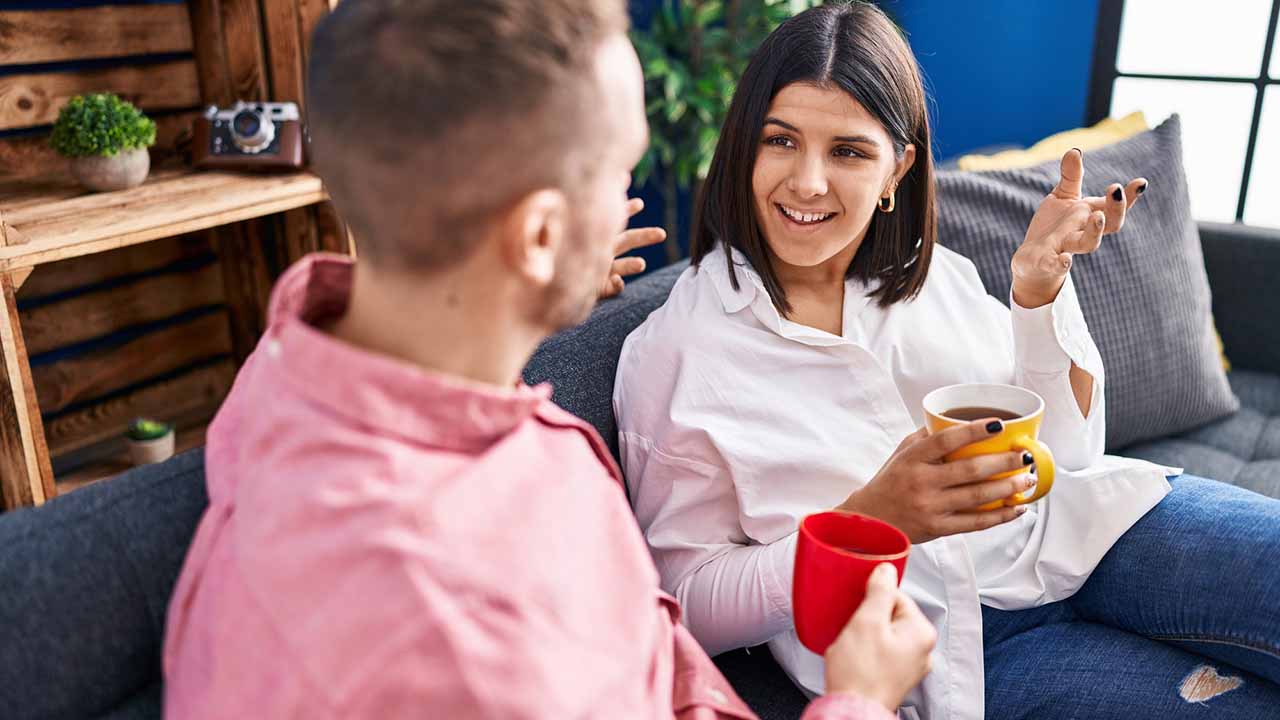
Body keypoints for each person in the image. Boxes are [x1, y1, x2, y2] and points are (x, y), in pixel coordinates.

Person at [161, 1, 937, 718]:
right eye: (616, 170)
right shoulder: (462, 637)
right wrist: (859, 700)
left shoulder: (293, 364)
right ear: (537, 234)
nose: (625, 199)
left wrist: (516, 293)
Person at [613, 3, 1280, 719]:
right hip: (967, 657)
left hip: (1094, 531)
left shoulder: (934, 279)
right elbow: (684, 602)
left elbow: (1069, 453)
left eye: (848, 151)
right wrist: (870, 523)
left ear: (897, 167)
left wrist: (1038, 291)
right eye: (781, 141)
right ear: (743, 146)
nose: (807, 182)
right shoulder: (675, 355)